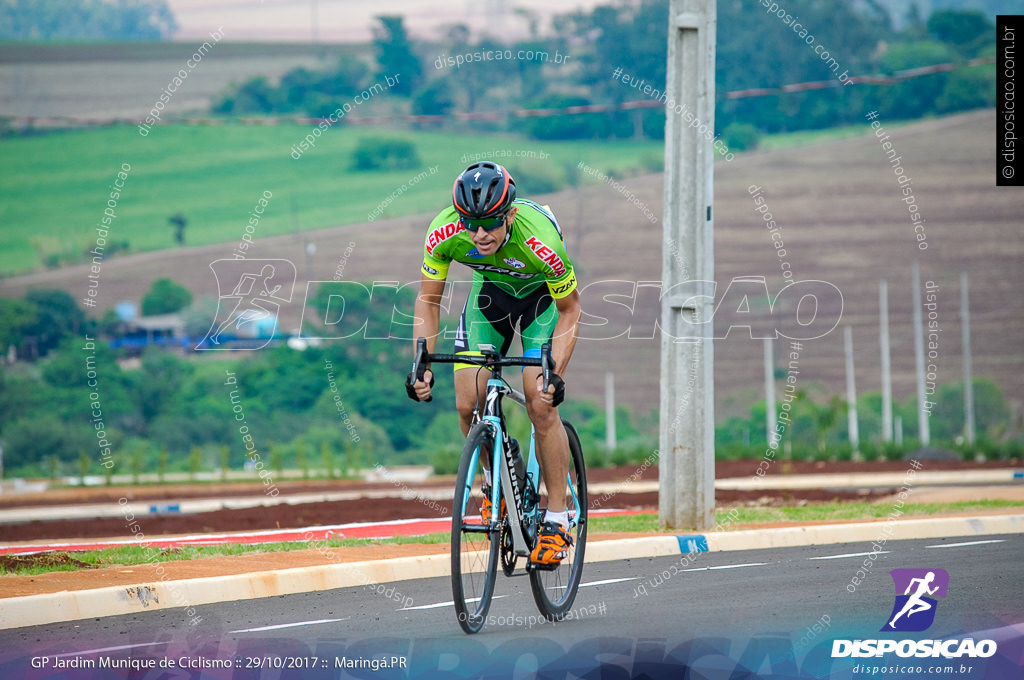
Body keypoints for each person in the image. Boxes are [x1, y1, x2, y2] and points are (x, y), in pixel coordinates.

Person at [406, 161, 581, 568]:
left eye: (489, 224)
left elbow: (570, 311)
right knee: (468, 402)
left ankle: (556, 518)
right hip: (491, 301)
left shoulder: (541, 244)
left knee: (540, 402)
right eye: (471, 224)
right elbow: (428, 301)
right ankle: (495, 481)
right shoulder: (443, 233)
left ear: (511, 215)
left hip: (543, 304)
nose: (479, 234)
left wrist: (555, 372)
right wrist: (421, 360)